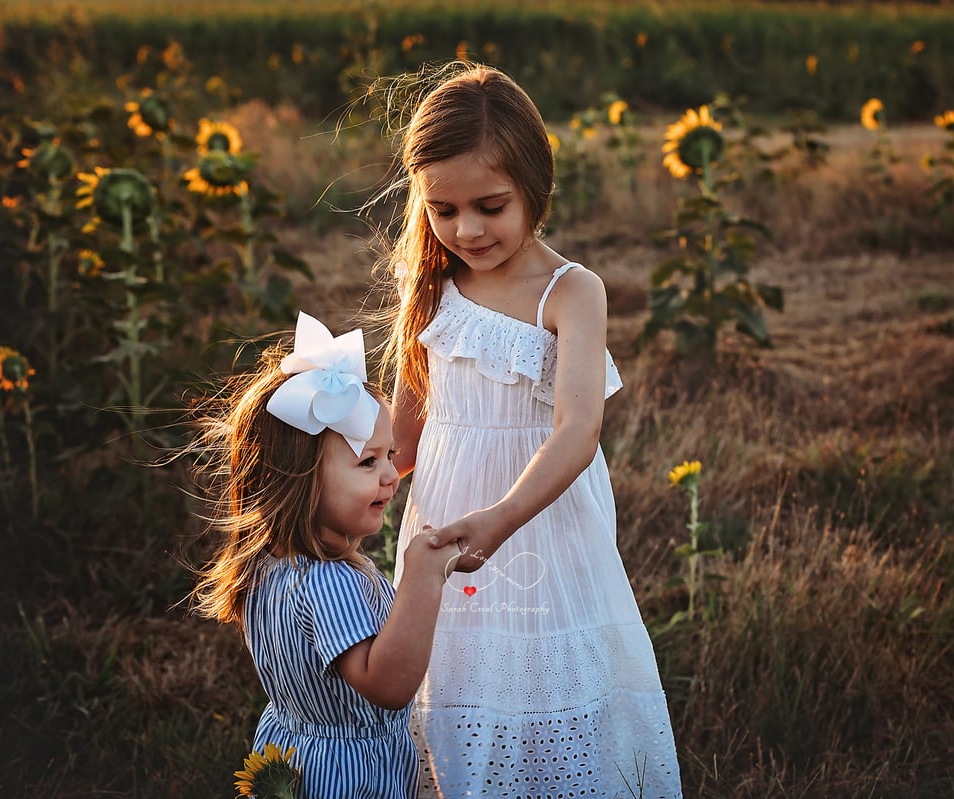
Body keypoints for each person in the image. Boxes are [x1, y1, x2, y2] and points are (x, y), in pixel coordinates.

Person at [380, 63, 684, 798]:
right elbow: (402, 436)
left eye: (490, 205)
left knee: (545, 683)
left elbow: (579, 431)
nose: (467, 230)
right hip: (448, 526)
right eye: (444, 210)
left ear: (534, 189)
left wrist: (504, 517)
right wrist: (339, 496)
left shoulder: (571, 291)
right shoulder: (431, 284)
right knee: (461, 677)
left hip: (539, 525)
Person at [187, 311, 460, 799]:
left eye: (391, 455)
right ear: (299, 479)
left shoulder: (266, 566)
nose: (391, 476)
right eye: (368, 462)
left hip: (293, 749)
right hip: (350, 774)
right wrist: (423, 575)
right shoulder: (329, 582)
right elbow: (389, 685)